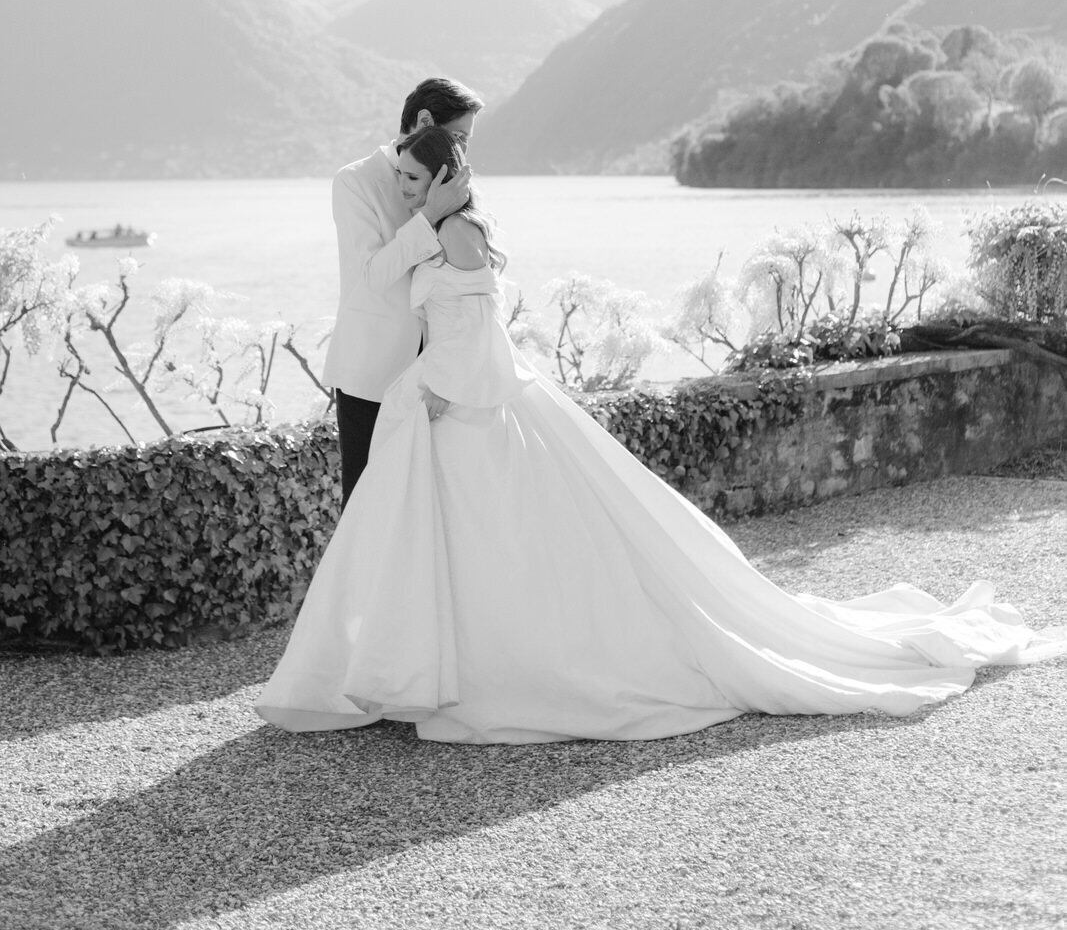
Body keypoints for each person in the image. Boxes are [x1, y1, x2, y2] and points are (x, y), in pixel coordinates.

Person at [259, 132, 1065, 744]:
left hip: (465, 405)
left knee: (499, 549)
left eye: (410, 178)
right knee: (458, 547)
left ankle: (472, 672)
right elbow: (403, 295)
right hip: (445, 405)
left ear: (444, 177)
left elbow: (477, 337)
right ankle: (419, 668)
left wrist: (437, 389)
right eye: (396, 177)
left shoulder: (460, 235)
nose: (398, 190)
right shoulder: (438, 226)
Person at [322, 77, 484, 506]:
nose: (463, 150)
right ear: (426, 120)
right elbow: (372, 277)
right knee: (366, 505)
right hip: (371, 373)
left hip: (434, 377)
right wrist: (430, 214)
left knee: (427, 505)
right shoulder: (355, 181)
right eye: (459, 136)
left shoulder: (452, 185)